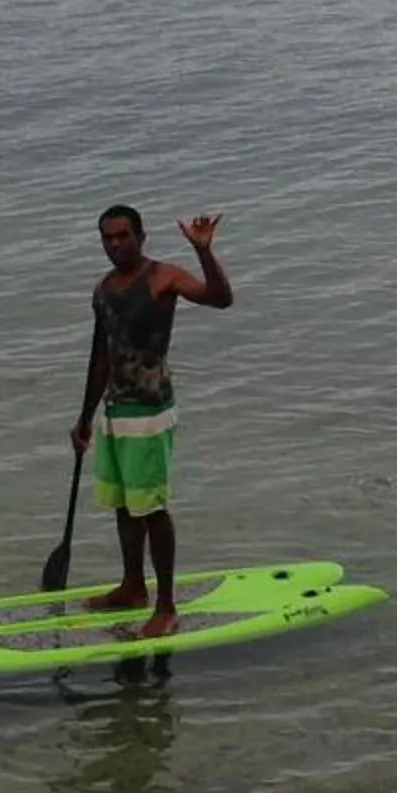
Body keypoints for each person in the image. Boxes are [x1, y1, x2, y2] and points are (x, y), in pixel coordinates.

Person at [70, 205, 233, 637]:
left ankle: (165, 605)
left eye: (122, 236)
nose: (114, 244)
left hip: (151, 412)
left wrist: (203, 252)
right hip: (115, 411)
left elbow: (220, 298)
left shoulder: (164, 277)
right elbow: (100, 357)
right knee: (124, 504)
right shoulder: (102, 290)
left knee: (153, 508)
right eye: (106, 238)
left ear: (141, 237)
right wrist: (84, 419)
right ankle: (131, 587)